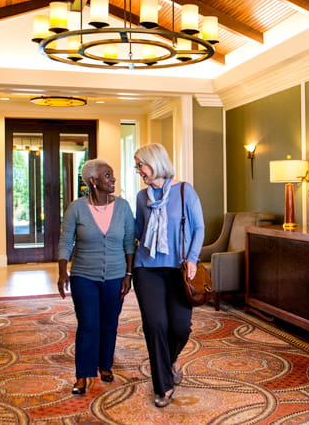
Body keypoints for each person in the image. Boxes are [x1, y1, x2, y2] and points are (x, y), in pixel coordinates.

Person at [133, 143, 205, 408]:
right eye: (137, 165)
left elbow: (198, 227)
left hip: (179, 269)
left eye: (141, 164)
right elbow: (138, 232)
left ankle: (170, 360)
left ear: (155, 162)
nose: (138, 170)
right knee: (156, 325)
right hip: (146, 269)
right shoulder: (142, 197)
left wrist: (192, 259)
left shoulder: (185, 191)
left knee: (179, 328)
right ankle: (163, 385)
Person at [57, 159, 135, 395]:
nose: (113, 179)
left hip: (115, 275)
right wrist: (62, 271)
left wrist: (128, 273)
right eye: (108, 175)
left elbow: (129, 242)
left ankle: (106, 365)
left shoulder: (123, 207)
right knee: (88, 324)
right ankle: (82, 375)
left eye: (112, 175)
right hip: (83, 276)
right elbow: (65, 241)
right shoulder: (76, 208)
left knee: (110, 323)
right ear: (93, 181)